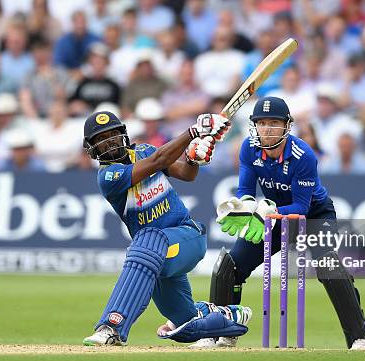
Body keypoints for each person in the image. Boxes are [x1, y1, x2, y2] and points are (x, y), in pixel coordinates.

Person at [198, 97, 365, 350]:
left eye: (274, 123)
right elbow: (245, 192)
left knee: (328, 265)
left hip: (314, 215)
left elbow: (301, 207)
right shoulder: (249, 148)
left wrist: (267, 210)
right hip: (272, 216)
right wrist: (243, 209)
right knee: (229, 265)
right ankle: (220, 333)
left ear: (286, 126)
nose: (267, 128)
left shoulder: (303, 155)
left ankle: (359, 336)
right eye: (261, 123)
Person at [81, 110, 251, 346]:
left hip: (187, 237)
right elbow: (159, 161)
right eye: (101, 139)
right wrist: (193, 133)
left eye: (112, 134)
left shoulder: (145, 151)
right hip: (155, 257)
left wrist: (193, 159)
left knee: (147, 239)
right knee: (185, 324)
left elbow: (186, 173)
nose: (109, 141)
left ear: (123, 134)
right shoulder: (108, 177)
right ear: (92, 148)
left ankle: (111, 326)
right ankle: (223, 316)